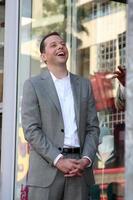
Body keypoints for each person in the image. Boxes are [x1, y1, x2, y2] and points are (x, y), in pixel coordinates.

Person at [21, 32, 100, 200]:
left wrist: (86, 159)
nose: (60, 46)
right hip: (46, 171)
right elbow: (31, 130)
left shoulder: (84, 85)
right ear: (43, 56)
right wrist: (58, 160)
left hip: (79, 169)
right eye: (53, 45)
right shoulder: (33, 85)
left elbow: (93, 128)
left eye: (62, 43)